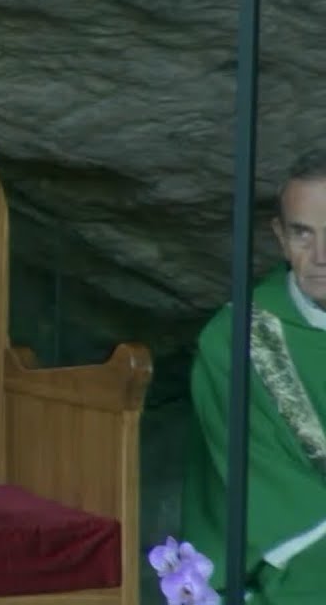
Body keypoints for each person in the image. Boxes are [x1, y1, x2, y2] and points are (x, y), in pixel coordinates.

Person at [183, 148, 326, 603]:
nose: (321, 256)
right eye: (303, 234)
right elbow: (268, 491)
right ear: (280, 237)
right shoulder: (237, 339)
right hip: (293, 551)